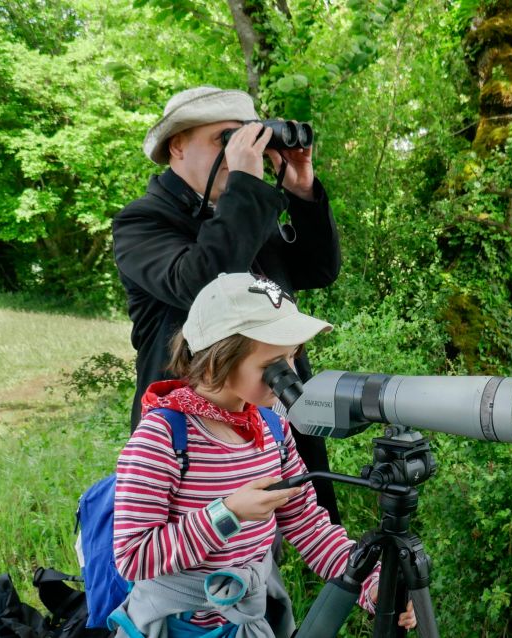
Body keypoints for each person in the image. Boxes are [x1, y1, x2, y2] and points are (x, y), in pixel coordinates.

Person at [111, 272, 416, 636]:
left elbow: (308, 525)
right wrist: (228, 514)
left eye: (292, 357)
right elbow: (133, 558)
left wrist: (372, 583)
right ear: (215, 362)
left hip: (247, 620)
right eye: (271, 365)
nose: (288, 374)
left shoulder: (273, 429)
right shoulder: (162, 438)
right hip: (175, 624)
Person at [112, 85, 341, 523]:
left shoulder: (242, 209)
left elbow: (318, 270)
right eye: (225, 139)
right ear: (176, 146)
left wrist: (302, 191)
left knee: (305, 527)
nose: (241, 152)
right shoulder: (142, 222)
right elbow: (201, 284)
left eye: (248, 138)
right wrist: (246, 189)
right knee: (214, 549)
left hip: (274, 399)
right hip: (195, 426)